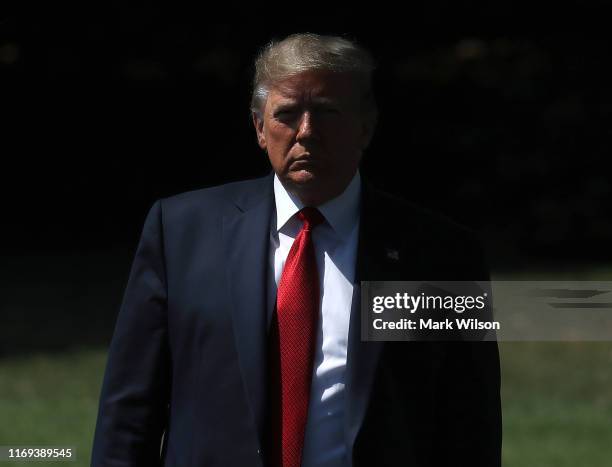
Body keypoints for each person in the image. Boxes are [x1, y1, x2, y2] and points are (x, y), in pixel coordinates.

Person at [91, 33, 501, 467]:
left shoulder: (440, 253)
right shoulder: (181, 232)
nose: (307, 132)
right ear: (259, 128)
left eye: (327, 113)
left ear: (366, 126)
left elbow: (469, 424)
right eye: (287, 114)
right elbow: (129, 411)